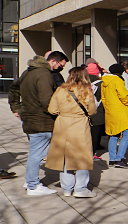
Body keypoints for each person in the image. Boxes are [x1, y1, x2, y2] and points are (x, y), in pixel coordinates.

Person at [9, 51, 68, 195]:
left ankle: (30, 180)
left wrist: (16, 107)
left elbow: (13, 88)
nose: (61, 68)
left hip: (30, 118)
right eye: (61, 65)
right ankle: (33, 185)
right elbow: (46, 100)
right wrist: (59, 112)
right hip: (40, 120)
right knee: (37, 154)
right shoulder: (44, 74)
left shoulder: (29, 71)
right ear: (53, 61)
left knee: (35, 152)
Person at [46, 66, 97, 198]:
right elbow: (91, 110)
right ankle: (80, 188)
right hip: (80, 124)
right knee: (82, 156)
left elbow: (52, 109)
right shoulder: (87, 90)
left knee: (64, 157)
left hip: (62, 124)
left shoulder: (61, 89)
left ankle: (67, 188)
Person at [101, 64, 128, 168]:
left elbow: (103, 98)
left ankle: (112, 158)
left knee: (113, 135)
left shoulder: (104, 81)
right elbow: (123, 95)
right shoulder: (118, 81)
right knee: (127, 134)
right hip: (122, 111)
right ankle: (119, 158)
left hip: (110, 111)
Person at [86, 61, 106, 159]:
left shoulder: (83, 81)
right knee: (95, 134)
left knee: (87, 133)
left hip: (85, 111)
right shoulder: (101, 83)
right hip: (98, 112)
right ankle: (93, 153)